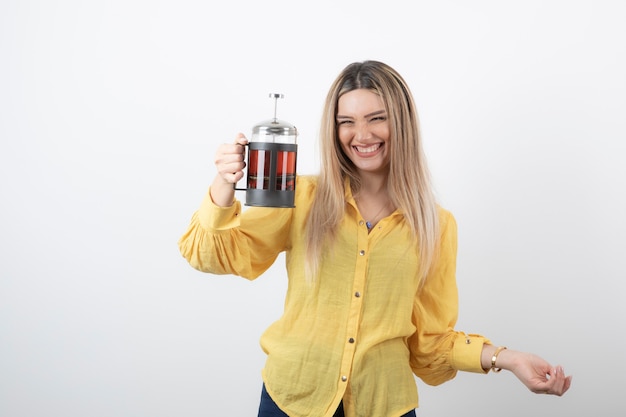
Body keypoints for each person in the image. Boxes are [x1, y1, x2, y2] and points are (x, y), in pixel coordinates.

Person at [178, 60, 572, 417]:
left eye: (376, 118)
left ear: (401, 122)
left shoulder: (435, 225)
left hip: (383, 406)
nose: (360, 134)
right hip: (292, 400)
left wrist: (509, 358)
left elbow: (431, 343)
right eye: (346, 121)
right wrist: (225, 183)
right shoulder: (300, 196)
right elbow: (215, 256)